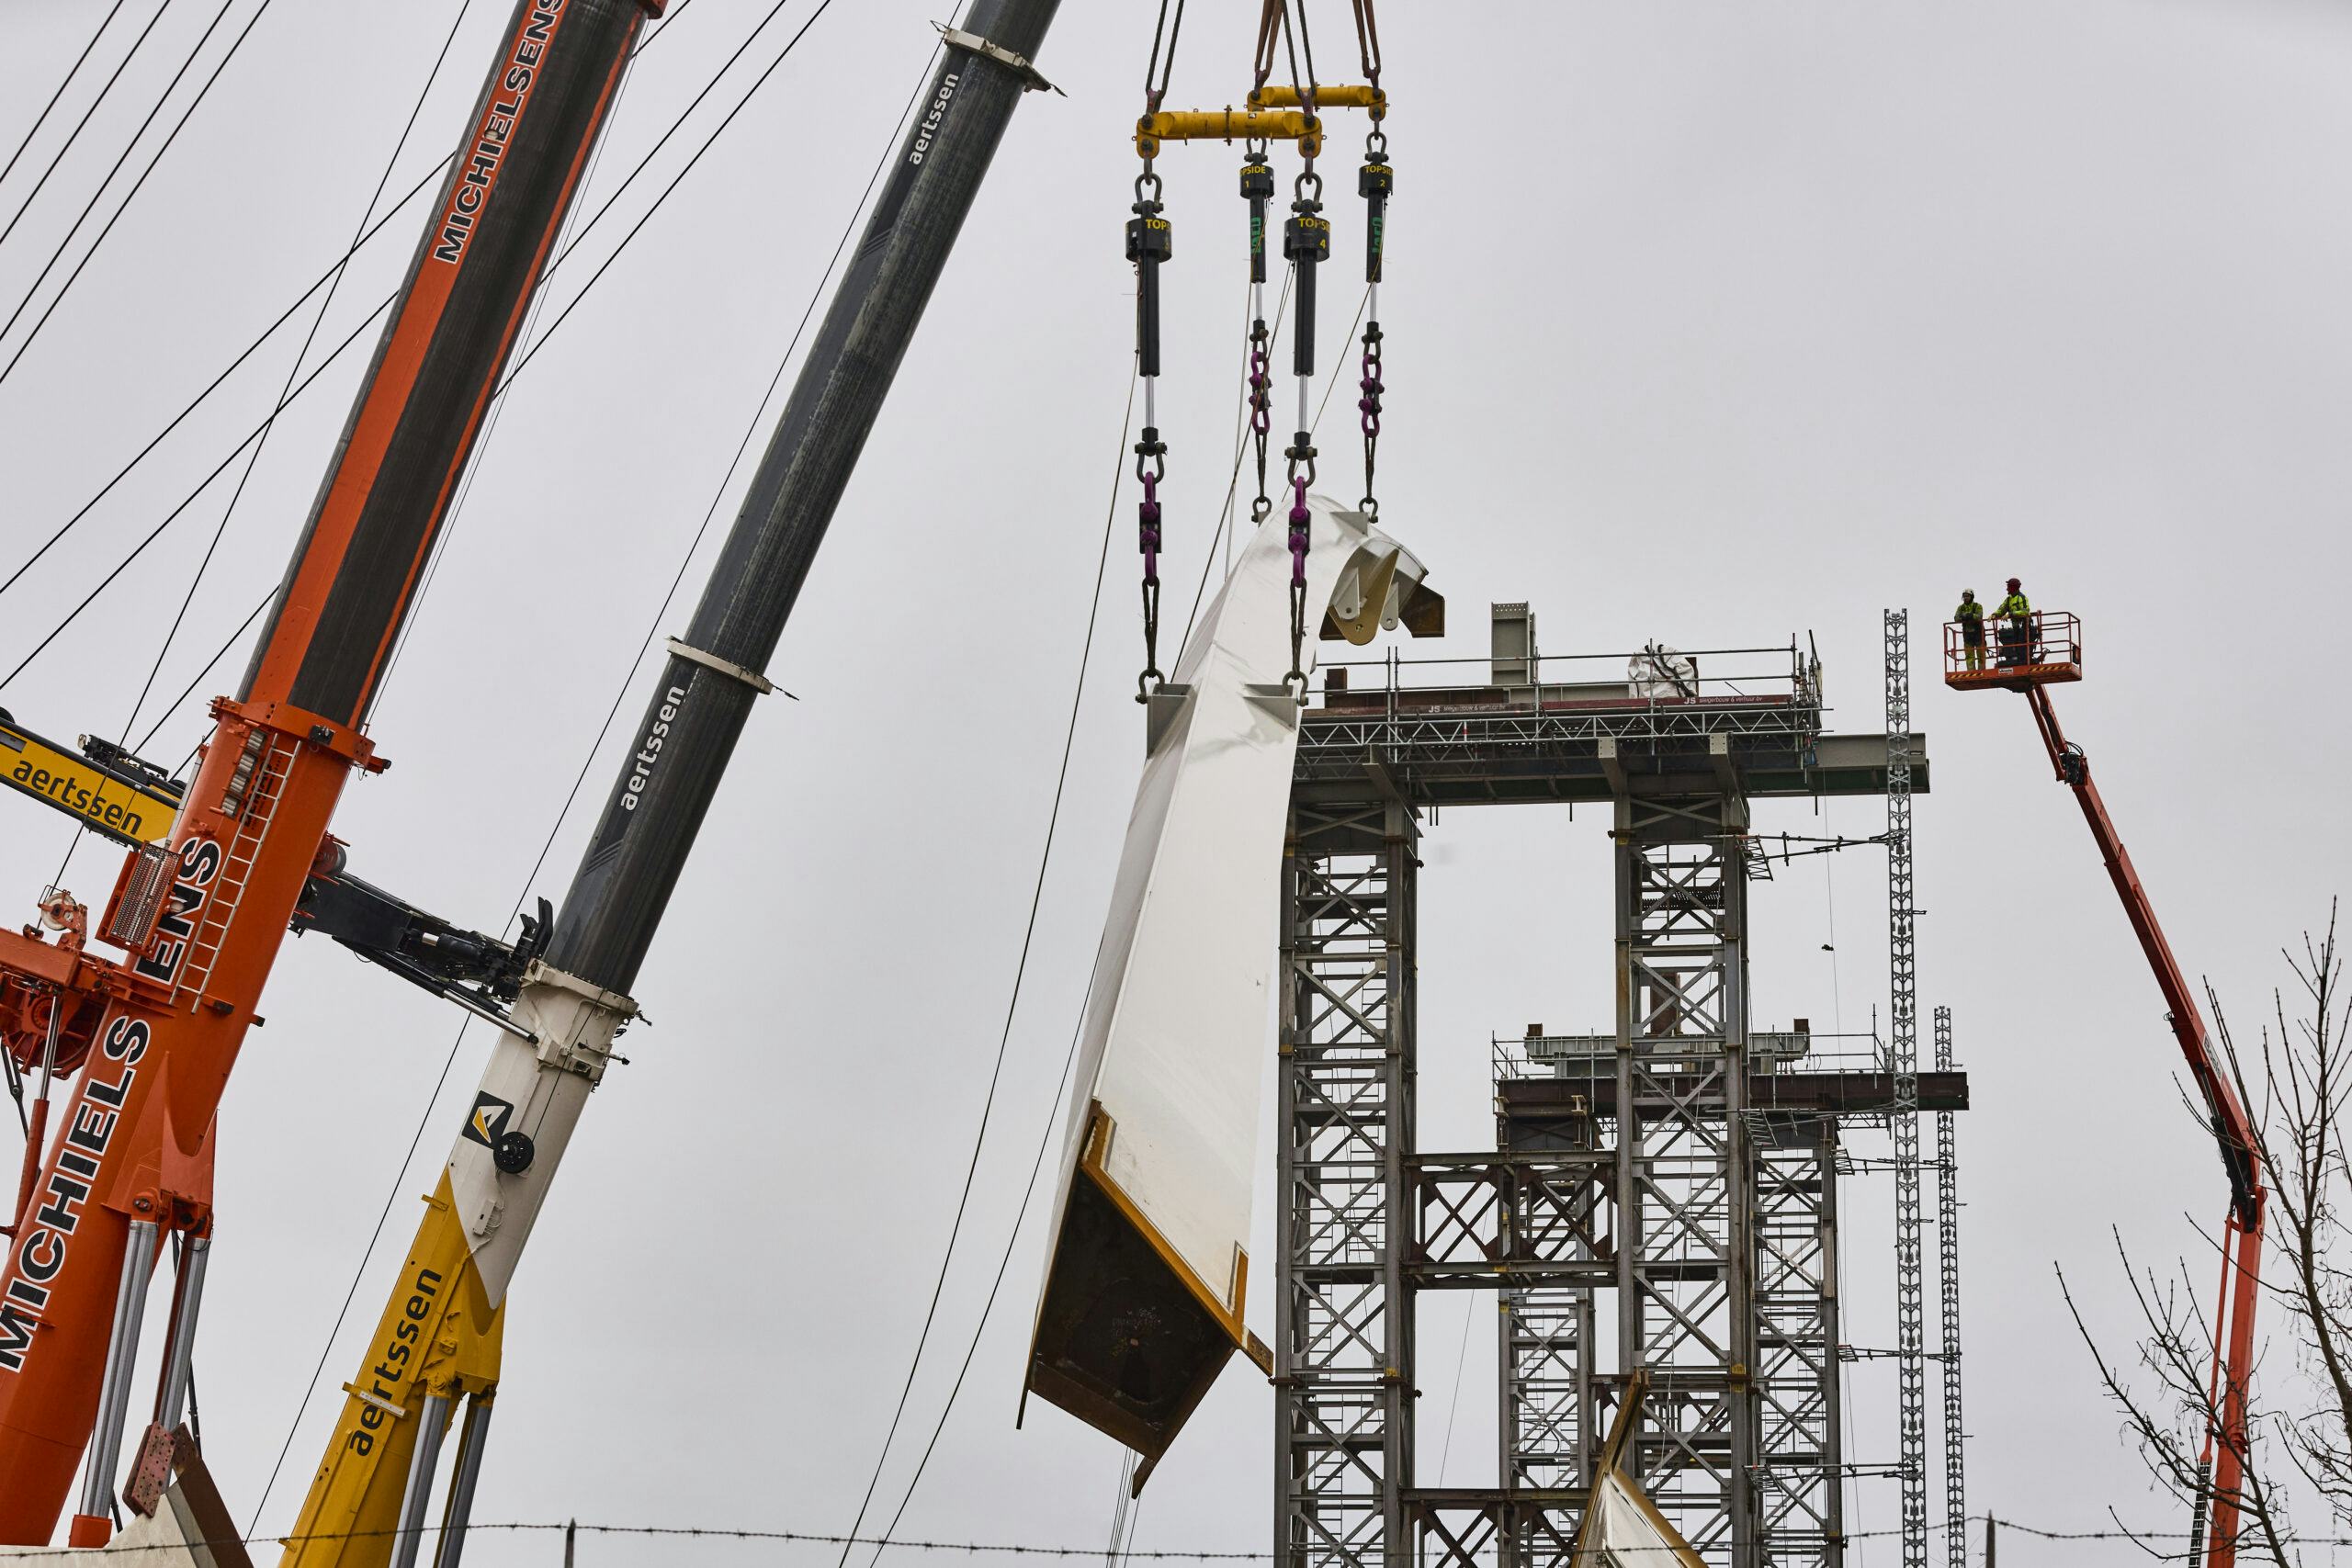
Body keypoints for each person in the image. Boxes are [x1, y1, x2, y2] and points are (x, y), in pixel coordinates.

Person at [1994, 577, 2032, 667]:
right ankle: (2019, 661)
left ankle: (2023, 662)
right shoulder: (2009, 599)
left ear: (2013, 587)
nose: (2007, 589)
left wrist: (2010, 614)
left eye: (2008, 586)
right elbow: (2002, 609)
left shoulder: (2022, 598)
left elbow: (2025, 611)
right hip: (2016, 626)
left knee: (2022, 643)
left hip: (2024, 625)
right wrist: (1995, 615)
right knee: (2016, 643)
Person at [1953, 589, 1985, 671]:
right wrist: (1966, 616)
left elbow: (1979, 616)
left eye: (1967, 596)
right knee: (1969, 655)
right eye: (1964, 596)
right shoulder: (1961, 608)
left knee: (1980, 654)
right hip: (1967, 634)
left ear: (1971, 597)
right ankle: (1971, 672)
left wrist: (1968, 615)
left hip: (1978, 633)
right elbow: (1956, 618)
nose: (1965, 598)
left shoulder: (1977, 606)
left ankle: (1981, 671)